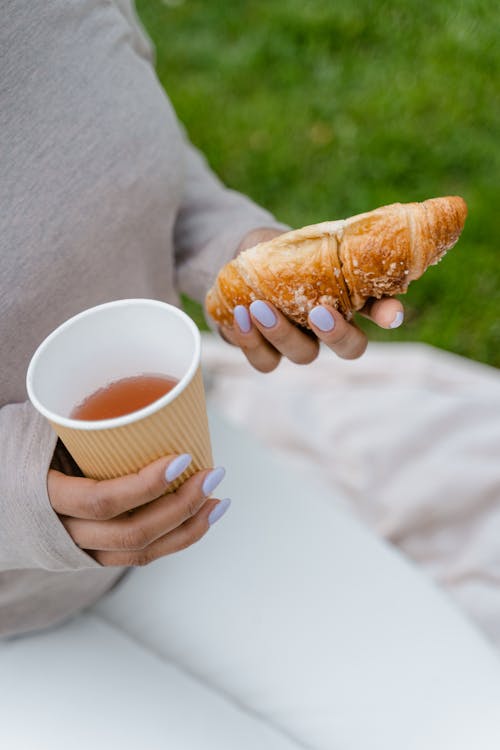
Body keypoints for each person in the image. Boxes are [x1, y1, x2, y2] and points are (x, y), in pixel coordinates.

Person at [2, 3, 500, 748]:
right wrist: (25, 494)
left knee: (473, 722)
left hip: (195, 486)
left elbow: (135, 154)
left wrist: (245, 260)